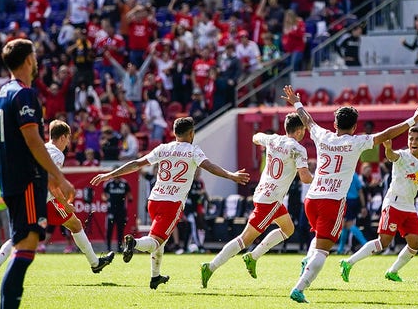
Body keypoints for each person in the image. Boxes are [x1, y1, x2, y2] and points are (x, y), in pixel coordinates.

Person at [281, 85, 418, 303]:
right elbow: (386, 134)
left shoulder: (323, 135)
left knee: (318, 239)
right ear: (354, 127)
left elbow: (307, 120)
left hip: (311, 199)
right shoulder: (357, 142)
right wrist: (412, 120)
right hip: (331, 201)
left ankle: (308, 259)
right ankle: (300, 287)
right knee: (324, 250)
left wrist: (296, 102)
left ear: (335, 125)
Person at [90, 117, 250, 290]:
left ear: (174, 133)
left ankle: (155, 276)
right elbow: (209, 166)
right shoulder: (193, 150)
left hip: (154, 201)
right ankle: (134, 243)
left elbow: (136, 164)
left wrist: (109, 175)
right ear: (191, 133)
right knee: (156, 241)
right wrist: (231, 175)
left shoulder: (163, 148)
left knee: (161, 240)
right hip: (172, 204)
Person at [0, 38, 75, 309]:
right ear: (29, 60)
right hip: (26, 179)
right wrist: (58, 175)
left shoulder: (4, 92)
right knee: (26, 245)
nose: (37, 61)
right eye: (35, 56)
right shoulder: (23, 94)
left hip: (12, 177)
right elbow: (32, 139)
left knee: (24, 244)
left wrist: (50, 176)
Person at [0, 120, 114, 286]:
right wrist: (65, 203)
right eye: (67, 139)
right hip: (45, 199)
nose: (68, 143)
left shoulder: (43, 148)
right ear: (62, 137)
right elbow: (51, 183)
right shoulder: (56, 154)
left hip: (26, 196)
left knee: (21, 234)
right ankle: (95, 264)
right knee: (75, 225)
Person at [339, 126, 418, 283]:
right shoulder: (402, 155)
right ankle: (348, 263)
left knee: (415, 243)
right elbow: (391, 156)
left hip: (409, 207)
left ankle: (392, 271)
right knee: (384, 242)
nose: (413, 141)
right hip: (393, 204)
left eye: (417, 139)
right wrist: (388, 148)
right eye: (410, 138)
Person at [201, 113, 313, 287]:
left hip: (265, 195)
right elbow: (305, 178)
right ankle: (211, 266)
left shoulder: (273, 139)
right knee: (244, 239)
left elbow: (255, 137)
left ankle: (253, 257)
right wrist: (320, 178)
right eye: (304, 130)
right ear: (299, 131)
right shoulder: (298, 149)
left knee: (288, 228)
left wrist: (263, 139)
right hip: (270, 199)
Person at [336, 172, 368, 254]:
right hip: (354, 201)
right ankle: (340, 249)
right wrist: (363, 205)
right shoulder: (355, 175)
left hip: (346, 201)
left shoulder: (342, 174)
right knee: (345, 225)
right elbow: (360, 190)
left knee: (348, 224)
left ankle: (365, 244)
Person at [103, 172, 132, 252]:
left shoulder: (124, 183)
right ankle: (108, 247)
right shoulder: (108, 184)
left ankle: (120, 247)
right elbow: (103, 195)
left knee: (120, 230)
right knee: (109, 229)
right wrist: (107, 199)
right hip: (111, 210)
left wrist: (129, 198)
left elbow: (129, 195)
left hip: (121, 211)